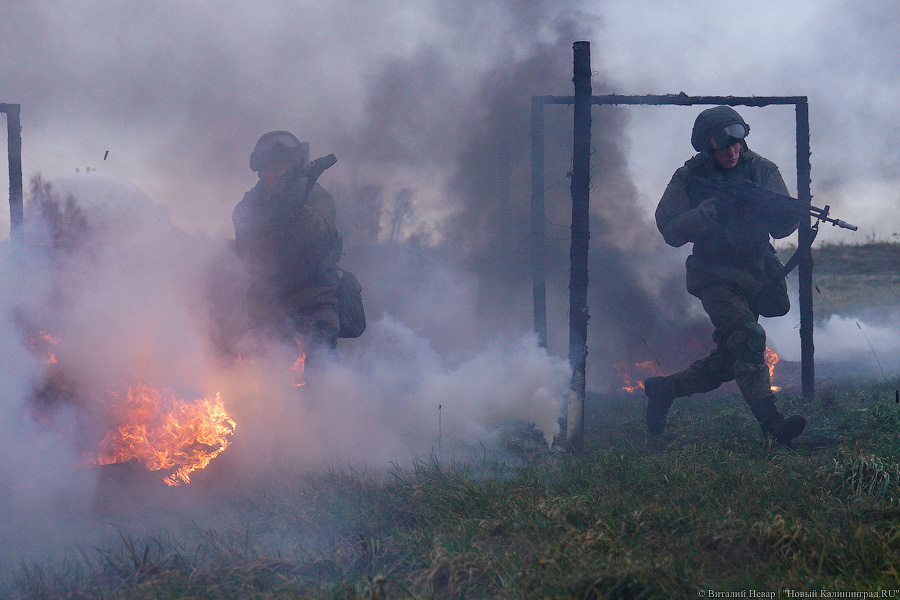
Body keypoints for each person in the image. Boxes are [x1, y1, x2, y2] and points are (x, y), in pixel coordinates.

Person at [646, 106, 806, 446]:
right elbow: (669, 230)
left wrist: (778, 212)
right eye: (723, 145)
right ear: (707, 145)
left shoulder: (761, 170)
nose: (732, 151)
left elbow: (781, 226)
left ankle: (663, 390)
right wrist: (705, 215)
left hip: (754, 273)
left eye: (738, 142)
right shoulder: (689, 177)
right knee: (749, 337)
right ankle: (773, 425)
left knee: (729, 361)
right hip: (714, 275)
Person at [232, 131, 342, 354]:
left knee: (322, 355)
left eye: (284, 166)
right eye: (272, 168)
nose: (278, 173)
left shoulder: (315, 196)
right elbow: (250, 261)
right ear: (261, 172)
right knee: (271, 361)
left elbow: (326, 244)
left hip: (316, 294)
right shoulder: (249, 207)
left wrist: (297, 212)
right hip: (272, 298)